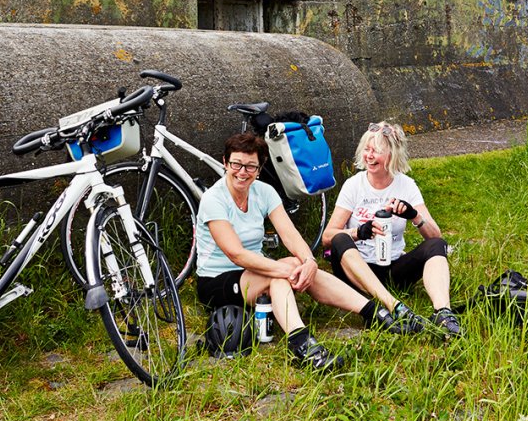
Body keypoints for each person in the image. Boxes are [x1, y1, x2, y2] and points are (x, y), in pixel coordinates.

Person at [195, 132, 415, 371]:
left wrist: (308, 261)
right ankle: (301, 344)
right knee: (281, 274)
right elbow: (236, 255)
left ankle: (372, 312)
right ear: (225, 163)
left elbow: (290, 235)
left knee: (293, 265)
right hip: (216, 281)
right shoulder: (214, 199)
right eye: (236, 164)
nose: (242, 172)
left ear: (259, 168)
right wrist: (287, 269)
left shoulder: (264, 192)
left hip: (254, 272)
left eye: (250, 166)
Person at [321, 121, 462, 339]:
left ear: (392, 154)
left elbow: (435, 235)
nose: (369, 156)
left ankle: (443, 312)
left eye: (376, 150)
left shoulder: (406, 185)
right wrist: (359, 232)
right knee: (340, 238)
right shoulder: (354, 185)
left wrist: (414, 216)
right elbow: (327, 238)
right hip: (355, 271)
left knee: (437, 245)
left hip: (392, 268)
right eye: (366, 149)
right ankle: (393, 305)